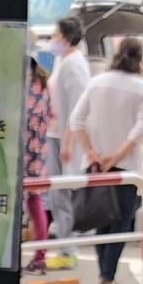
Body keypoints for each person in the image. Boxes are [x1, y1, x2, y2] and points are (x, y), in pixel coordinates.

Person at [68, 37, 143, 284]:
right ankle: (107, 275)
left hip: (96, 164)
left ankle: (104, 273)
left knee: (101, 218)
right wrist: (116, 157)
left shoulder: (97, 82)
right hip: (127, 166)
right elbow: (139, 130)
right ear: (140, 58)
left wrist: (91, 152)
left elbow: (76, 120)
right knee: (121, 220)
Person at [46, 14, 91, 243]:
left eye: (55, 35)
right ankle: (65, 242)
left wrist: (67, 142)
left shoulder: (74, 65)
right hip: (55, 133)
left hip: (64, 137)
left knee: (63, 191)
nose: (52, 40)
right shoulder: (62, 60)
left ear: (65, 38)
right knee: (57, 192)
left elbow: (78, 108)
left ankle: (67, 245)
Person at [23, 56, 53, 276]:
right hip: (39, 153)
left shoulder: (24, 90)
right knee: (36, 204)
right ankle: (40, 257)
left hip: (23, 155)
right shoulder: (43, 86)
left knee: (19, 207)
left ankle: (15, 259)